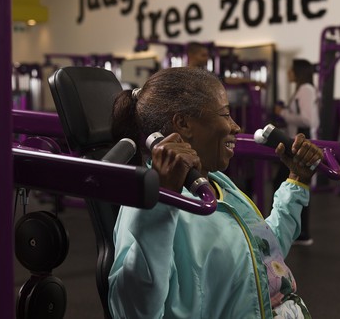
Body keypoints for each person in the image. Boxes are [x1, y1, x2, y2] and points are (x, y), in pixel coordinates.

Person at [107, 66, 322, 318]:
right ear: (183, 123)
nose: (236, 126)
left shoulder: (219, 183)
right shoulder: (148, 202)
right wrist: (163, 202)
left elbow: (264, 254)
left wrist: (296, 183)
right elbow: (133, 312)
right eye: (225, 114)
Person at [274, 59, 319, 245]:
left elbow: (308, 121)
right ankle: (299, 233)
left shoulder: (306, 90)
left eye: (291, 69)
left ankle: (301, 234)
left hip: (300, 147)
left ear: (298, 71)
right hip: (295, 145)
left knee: (289, 184)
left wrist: (283, 114)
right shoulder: (303, 89)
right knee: (294, 186)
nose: (288, 72)